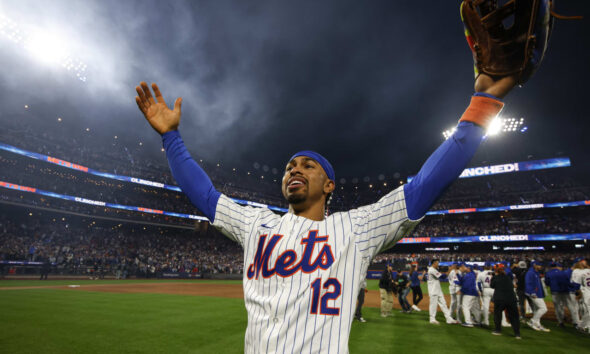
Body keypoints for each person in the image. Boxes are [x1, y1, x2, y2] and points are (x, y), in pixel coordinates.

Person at [135, 63, 516, 351]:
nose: (294, 170)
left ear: (329, 185)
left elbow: (424, 188)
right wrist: (171, 138)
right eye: (289, 167)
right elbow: (204, 194)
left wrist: (483, 105)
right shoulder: (256, 224)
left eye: (307, 165)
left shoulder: (355, 230)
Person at [490, 264, 521, 339]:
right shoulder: (508, 277)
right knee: (514, 316)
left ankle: (498, 330)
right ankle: (517, 334)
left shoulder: (495, 277)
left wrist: (493, 277)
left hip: (500, 299)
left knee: (498, 314)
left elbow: (492, 286)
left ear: (495, 270)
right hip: (511, 299)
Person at [427, 259, 458, 325]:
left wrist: (450, 270)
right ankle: (432, 319)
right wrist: (450, 269)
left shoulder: (434, 270)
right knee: (433, 305)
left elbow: (442, 276)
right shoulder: (431, 270)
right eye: (437, 263)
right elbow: (442, 277)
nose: (438, 264)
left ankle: (449, 319)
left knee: (444, 304)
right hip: (433, 291)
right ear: (434, 263)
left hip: (438, 290)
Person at [525, 261, 550, 332]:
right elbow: (528, 283)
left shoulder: (536, 272)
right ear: (534, 265)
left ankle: (537, 324)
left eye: (541, 265)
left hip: (538, 293)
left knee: (537, 310)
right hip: (534, 294)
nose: (540, 266)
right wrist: (532, 292)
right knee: (543, 309)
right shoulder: (530, 272)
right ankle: (532, 321)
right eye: (539, 265)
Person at [544, 262, 569, 327]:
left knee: (557, 306)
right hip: (565, 291)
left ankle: (560, 321)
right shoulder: (563, 272)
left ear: (550, 267)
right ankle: (564, 316)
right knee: (563, 305)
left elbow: (547, 283)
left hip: (555, 291)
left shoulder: (548, 273)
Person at [456, 263, 481, 327]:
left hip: (469, 293)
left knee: (465, 307)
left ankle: (468, 322)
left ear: (468, 268)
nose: (464, 268)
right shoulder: (471, 274)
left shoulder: (469, 275)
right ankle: (475, 321)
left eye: (465, 267)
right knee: (472, 308)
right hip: (473, 293)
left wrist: (461, 291)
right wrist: (458, 275)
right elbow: (462, 281)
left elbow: (466, 285)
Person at [570, 257, 590, 333]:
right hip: (586, 294)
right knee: (586, 311)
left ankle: (582, 325)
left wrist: (578, 293)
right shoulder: (580, 271)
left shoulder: (582, 272)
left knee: (587, 312)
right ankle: (582, 326)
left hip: (586, 293)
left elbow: (575, 284)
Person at [564, 260, 582, 330]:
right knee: (574, 308)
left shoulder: (574, 272)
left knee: (576, 308)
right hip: (570, 292)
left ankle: (575, 321)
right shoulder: (569, 272)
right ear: (576, 264)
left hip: (573, 292)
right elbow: (569, 283)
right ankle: (576, 323)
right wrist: (578, 287)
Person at [477, 262, 494, 327]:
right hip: (494, 289)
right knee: (499, 305)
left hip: (486, 289)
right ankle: (503, 321)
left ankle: (486, 321)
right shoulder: (494, 273)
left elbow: (478, 283)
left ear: (484, 267)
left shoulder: (481, 273)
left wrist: (481, 291)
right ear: (490, 267)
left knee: (486, 306)